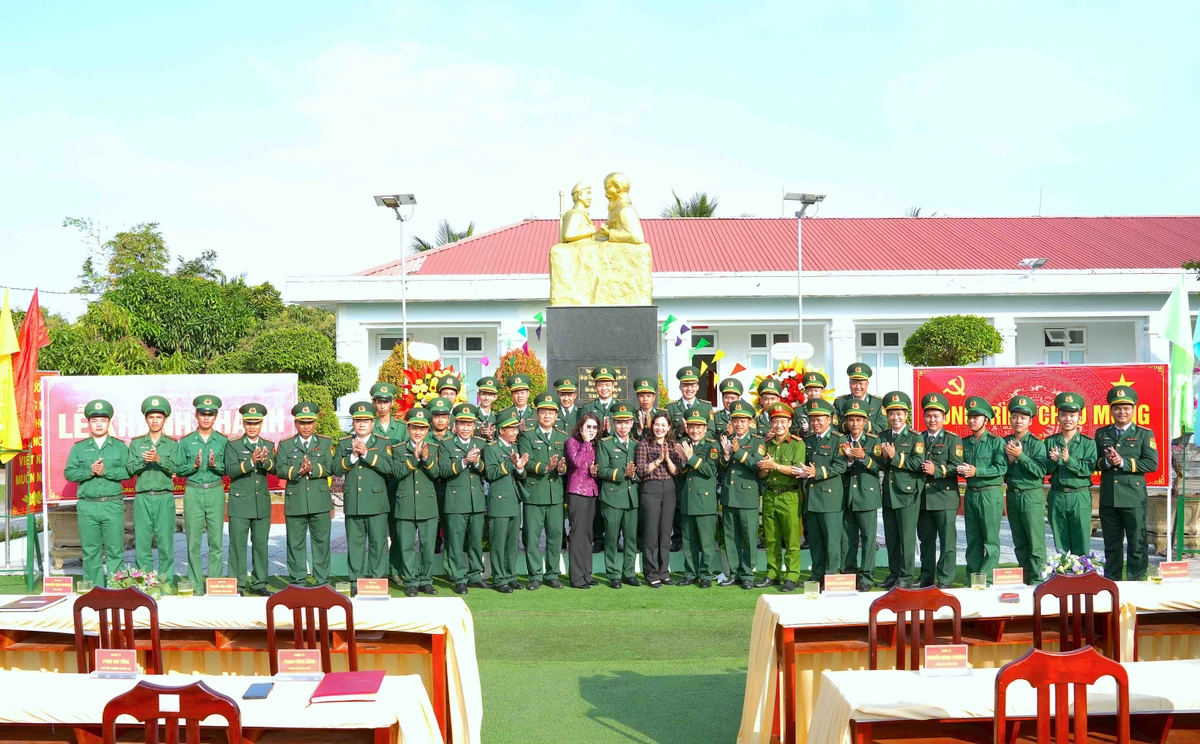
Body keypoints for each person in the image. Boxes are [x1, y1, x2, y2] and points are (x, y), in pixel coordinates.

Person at [64, 399, 130, 588]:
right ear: (89, 423)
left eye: (103, 420)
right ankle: (95, 590)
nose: (99, 424)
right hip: (88, 505)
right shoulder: (79, 448)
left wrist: (105, 471)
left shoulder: (119, 447)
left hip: (112, 504)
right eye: (95, 420)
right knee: (90, 550)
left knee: (115, 550)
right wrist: (89, 472)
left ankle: (117, 587)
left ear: (109, 422)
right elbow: (69, 472)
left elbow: (128, 472)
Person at [1096, 385, 1158, 581]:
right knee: (1111, 544)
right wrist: (1107, 462)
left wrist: (1122, 462)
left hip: (1133, 498)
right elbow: (1094, 462)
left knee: (1137, 544)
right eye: (1117, 408)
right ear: (1111, 410)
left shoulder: (1144, 434)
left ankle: (1136, 581)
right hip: (1109, 498)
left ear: (1133, 410)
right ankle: (1112, 582)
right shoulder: (1102, 433)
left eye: (1126, 408)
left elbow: (1151, 463)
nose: (1122, 412)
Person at [334, 401, 394, 586]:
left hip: (377, 503)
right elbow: (335, 468)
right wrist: (352, 456)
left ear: (372, 423)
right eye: (358, 421)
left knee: (378, 544)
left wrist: (367, 453)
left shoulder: (383, 443)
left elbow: (389, 468)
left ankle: (378, 581)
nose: (361, 424)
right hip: (354, 502)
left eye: (365, 421)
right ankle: (355, 581)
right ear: (352, 423)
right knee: (355, 545)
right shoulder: (344, 443)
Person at [176, 394, 229, 594]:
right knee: (193, 542)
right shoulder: (187, 441)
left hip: (215, 490)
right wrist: (194, 465)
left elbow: (228, 469)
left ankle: (214, 584)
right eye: (202, 414)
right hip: (194, 491)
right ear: (196, 416)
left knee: (216, 541)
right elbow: (179, 470)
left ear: (215, 417)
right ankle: (196, 586)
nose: (206, 418)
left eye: (210, 414)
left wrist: (217, 465)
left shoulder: (222, 441)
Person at [278, 401, 334, 587]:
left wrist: (313, 469)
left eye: (309, 422)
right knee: (295, 544)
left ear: (315, 423)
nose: (306, 426)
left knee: (322, 543)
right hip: (296, 501)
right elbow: (279, 469)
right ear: (296, 424)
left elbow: (330, 467)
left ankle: (322, 580)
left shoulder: (324, 443)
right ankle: (297, 580)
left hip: (319, 501)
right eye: (302, 422)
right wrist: (297, 471)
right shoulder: (286, 445)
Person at [224, 403, 276, 596]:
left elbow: (275, 468)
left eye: (256, 423)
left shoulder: (268, 445)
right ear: (243, 424)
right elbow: (230, 471)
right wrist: (251, 461)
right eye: (248, 423)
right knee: (237, 545)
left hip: (260, 502)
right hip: (240, 503)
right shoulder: (234, 444)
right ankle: (237, 584)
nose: (252, 427)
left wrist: (265, 461)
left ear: (261, 424)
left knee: (261, 544)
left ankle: (259, 582)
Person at [127, 396, 179, 586]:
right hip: (142, 497)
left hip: (164, 497)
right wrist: (144, 461)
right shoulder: (136, 443)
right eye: (151, 417)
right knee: (142, 542)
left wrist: (158, 459)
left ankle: (165, 582)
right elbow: (130, 469)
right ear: (146, 419)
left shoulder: (172, 444)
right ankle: (144, 582)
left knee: (165, 543)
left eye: (159, 417)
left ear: (164, 419)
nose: (155, 421)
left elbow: (176, 468)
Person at [519, 392, 568, 590]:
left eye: (551, 413)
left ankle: (552, 574)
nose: (547, 416)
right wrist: (545, 467)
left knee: (555, 535)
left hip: (555, 494)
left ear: (556, 415)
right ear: (537, 414)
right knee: (532, 536)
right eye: (543, 412)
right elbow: (527, 461)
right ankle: (535, 575)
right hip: (535, 493)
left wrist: (562, 468)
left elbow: (566, 464)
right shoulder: (528, 435)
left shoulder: (562, 437)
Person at [438, 403, 489, 593]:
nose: (466, 428)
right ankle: (458, 577)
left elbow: (487, 472)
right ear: (455, 425)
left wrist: (477, 463)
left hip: (476, 500)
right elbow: (443, 471)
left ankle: (476, 575)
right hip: (455, 501)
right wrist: (464, 461)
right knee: (455, 541)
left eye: (469, 424)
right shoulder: (446, 445)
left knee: (475, 540)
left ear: (474, 425)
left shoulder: (481, 444)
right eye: (462, 424)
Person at [392, 407, 441, 596]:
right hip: (404, 504)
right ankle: (411, 580)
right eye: (414, 428)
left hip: (427, 503)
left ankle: (426, 580)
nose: (418, 432)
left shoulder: (435, 448)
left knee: (428, 545)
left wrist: (427, 458)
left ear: (428, 430)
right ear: (408, 428)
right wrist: (414, 458)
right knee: (406, 545)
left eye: (422, 428)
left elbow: (437, 473)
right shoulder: (398, 449)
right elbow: (396, 473)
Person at [757, 402, 806, 592]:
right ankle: (772, 573)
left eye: (783, 421)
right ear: (770, 423)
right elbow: (761, 474)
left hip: (790, 496)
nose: (779, 425)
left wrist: (774, 466)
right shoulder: (766, 445)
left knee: (792, 539)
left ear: (789, 422)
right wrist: (763, 468)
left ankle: (792, 575)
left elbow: (797, 470)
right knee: (771, 538)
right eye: (775, 421)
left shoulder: (797, 443)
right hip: (770, 495)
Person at [916, 392, 963, 588]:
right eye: (928, 415)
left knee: (947, 541)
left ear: (944, 418)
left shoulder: (953, 439)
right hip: (923, 499)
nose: (932, 419)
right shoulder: (918, 438)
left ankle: (944, 578)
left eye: (936, 416)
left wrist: (938, 470)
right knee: (925, 540)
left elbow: (958, 466)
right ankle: (926, 575)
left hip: (944, 497)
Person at [878, 391, 924, 590]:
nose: (895, 417)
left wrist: (895, 457)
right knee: (891, 537)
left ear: (906, 415)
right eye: (891, 414)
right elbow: (879, 461)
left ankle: (905, 576)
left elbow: (918, 463)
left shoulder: (916, 437)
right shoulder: (882, 436)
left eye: (899, 413)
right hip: (888, 493)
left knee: (906, 538)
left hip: (907, 494)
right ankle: (894, 573)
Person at [959, 396, 1007, 583]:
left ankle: (986, 579)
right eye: (970, 416)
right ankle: (973, 577)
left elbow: (1001, 468)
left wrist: (977, 471)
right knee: (973, 538)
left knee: (990, 540)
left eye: (977, 417)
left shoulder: (996, 442)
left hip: (990, 493)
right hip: (971, 494)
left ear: (986, 420)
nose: (972, 420)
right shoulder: (965, 442)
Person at [801, 398, 848, 587]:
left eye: (820, 418)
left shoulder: (839, 439)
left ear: (830, 419)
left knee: (831, 540)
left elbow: (841, 465)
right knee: (815, 539)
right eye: (813, 419)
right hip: (812, 497)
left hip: (830, 498)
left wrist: (817, 473)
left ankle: (830, 575)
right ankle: (816, 573)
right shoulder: (809, 440)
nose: (816, 422)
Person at [1045, 392, 1098, 556]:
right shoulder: (1050, 442)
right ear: (1058, 417)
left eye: (1072, 415)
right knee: (1060, 541)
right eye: (1064, 415)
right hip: (1057, 495)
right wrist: (1053, 462)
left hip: (1079, 496)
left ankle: (1082, 575)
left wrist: (1067, 460)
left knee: (1081, 539)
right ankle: (1063, 574)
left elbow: (1089, 468)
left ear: (1079, 418)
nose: (1068, 419)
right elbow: (1044, 470)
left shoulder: (1087, 443)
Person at [719, 400, 764, 589]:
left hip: (747, 496)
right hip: (730, 495)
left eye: (743, 420)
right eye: (736, 420)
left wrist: (737, 453)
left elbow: (756, 465)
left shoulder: (757, 441)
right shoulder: (726, 439)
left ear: (750, 422)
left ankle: (747, 574)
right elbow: (720, 469)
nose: (739, 424)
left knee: (749, 536)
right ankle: (734, 572)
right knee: (731, 536)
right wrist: (726, 456)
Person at [1004, 396, 1050, 583]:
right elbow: (1000, 470)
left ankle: (1039, 580)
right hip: (1013, 495)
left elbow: (1040, 471)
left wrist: (1020, 456)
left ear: (1030, 421)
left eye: (1023, 418)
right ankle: (1024, 577)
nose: (1018, 421)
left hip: (1032, 496)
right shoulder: (1004, 442)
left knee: (1036, 542)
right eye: (1015, 417)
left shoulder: (1037, 444)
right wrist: (1011, 461)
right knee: (1019, 542)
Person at [676, 408, 720, 588]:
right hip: (688, 499)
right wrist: (685, 461)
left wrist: (691, 458)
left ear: (705, 428)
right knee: (689, 540)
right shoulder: (684, 443)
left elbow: (710, 471)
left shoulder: (712, 445)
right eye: (692, 427)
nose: (695, 431)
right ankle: (690, 573)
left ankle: (706, 575)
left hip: (704, 501)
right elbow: (682, 474)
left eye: (699, 427)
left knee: (706, 542)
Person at [597, 403, 640, 588]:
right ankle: (614, 574)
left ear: (632, 424)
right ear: (613, 424)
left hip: (631, 498)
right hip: (612, 497)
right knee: (612, 538)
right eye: (619, 422)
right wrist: (624, 472)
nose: (623, 426)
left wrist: (635, 474)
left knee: (631, 538)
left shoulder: (637, 445)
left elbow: (641, 471)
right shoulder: (605, 444)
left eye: (627, 422)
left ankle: (629, 572)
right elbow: (602, 471)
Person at [840, 401, 882, 592]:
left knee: (867, 538)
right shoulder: (840, 440)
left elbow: (879, 466)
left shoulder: (873, 440)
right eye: (851, 420)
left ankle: (866, 576)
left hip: (866, 496)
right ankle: (849, 573)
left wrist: (864, 458)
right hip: (846, 495)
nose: (854, 424)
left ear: (865, 421)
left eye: (858, 420)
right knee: (847, 538)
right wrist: (849, 460)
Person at [636, 411, 680, 588]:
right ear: (651, 426)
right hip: (651, 488)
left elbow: (676, 471)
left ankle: (664, 572)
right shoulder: (644, 444)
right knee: (651, 532)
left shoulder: (673, 445)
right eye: (656, 424)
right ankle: (651, 573)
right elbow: (640, 470)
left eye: (663, 425)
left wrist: (667, 460)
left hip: (669, 488)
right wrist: (657, 461)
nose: (659, 428)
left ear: (669, 427)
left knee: (665, 533)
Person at [485, 413, 527, 594]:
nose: (515, 432)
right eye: (511, 429)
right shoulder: (491, 449)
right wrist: (510, 464)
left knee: (512, 543)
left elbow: (520, 476)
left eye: (516, 429)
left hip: (513, 499)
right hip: (499, 501)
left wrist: (520, 468)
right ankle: (499, 578)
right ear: (501, 430)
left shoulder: (515, 447)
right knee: (498, 542)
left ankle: (511, 576)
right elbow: (491, 474)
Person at [371, 381, 407, 587]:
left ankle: (395, 570)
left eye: (386, 402)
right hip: (374, 483)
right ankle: (377, 572)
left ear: (392, 403)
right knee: (376, 532)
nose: (382, 405)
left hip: (395, 483)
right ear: (374, 403)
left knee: (397, 530)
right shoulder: (369, 424)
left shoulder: (401, 428)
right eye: (379, 401)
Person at [565, 413, 602, 588]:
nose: (592, 430)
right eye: (588, 427)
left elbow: (591, 469)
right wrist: (586, 443)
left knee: (588, 536)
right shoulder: (572, 443)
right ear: (580, 428)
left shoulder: (596, 446)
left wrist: (595, 471)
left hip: (592, 492)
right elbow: (577, 463)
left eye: (595, 427)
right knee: (577, 535)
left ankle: (586, 574)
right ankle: (576, 577)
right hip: (577, 492)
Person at [835, 363, 886, 435]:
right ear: (849, 384)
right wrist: (848, 426)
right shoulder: (840, 402)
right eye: (854, 383)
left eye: (861, 383)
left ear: (867, 384)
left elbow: (881, 427)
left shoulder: (878, 402)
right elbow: (834, 427)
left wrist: (858, 425)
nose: (857, 387)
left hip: (871, 443)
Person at [666, 366, 715, 439]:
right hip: (678, 447)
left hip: (700, 448)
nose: (689, 389)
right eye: (685, 385)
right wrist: (680, 430)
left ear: (697, 387)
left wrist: (697, 438)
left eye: (692, 386)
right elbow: (666, 432)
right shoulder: (671, 407)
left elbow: (711, 432)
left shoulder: (706, 406)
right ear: (680, 387)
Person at [580, 365, 619, 438]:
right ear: (595, 387)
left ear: (613, 387)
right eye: (600, 385)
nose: (604, 388)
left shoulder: (619, 407)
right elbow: (582, 431)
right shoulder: (587, 408)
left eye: (607, 385)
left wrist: (609, 430)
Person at [475, 376, 500, 443]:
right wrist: (478, 433)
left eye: (490, 395)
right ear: (478, 395)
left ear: (495, 397)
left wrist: (490, 437)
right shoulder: (473, 415)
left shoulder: (496, 418)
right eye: (484, 394)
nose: (486, 398)